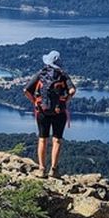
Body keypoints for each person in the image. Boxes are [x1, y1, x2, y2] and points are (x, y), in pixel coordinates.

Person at [23, 50, 75, 178]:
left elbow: (26, 90)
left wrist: (35, 101)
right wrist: (65, 101)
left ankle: (41, 169)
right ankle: (54, 169)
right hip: (59, 112)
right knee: (57, 140)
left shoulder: (40, 74)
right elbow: (72, 90)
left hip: (42, 111)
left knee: (42, 139)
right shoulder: (63, 75)